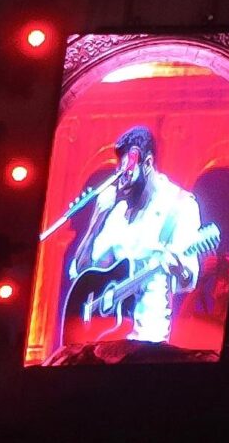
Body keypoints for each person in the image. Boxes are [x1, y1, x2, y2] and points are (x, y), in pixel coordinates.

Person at [61, 123, 207, 348]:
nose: (122, 181)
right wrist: (96, 219)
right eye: (118, 173)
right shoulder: (118, 210)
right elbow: (83, 271)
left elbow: (188, 280)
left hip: (147, 340)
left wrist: (177, 267)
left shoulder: (179, 205)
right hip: (103, 341)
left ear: (147, 164)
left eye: (127, 173)